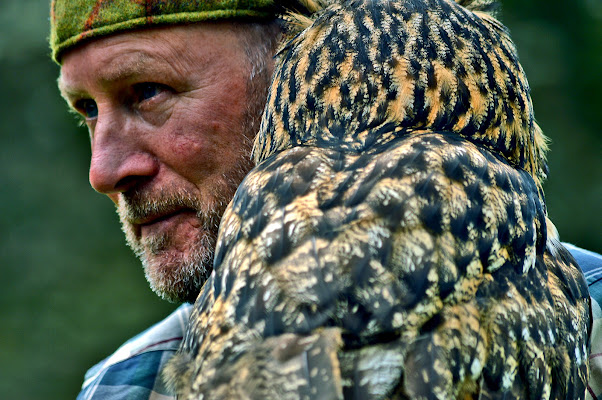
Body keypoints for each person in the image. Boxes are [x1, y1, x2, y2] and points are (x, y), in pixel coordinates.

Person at [48, 1, 602, 399]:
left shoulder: (588, 319)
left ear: (299, 66)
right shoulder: (127, 382)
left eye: (147, 91)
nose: (104, 170)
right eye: (87, 111)